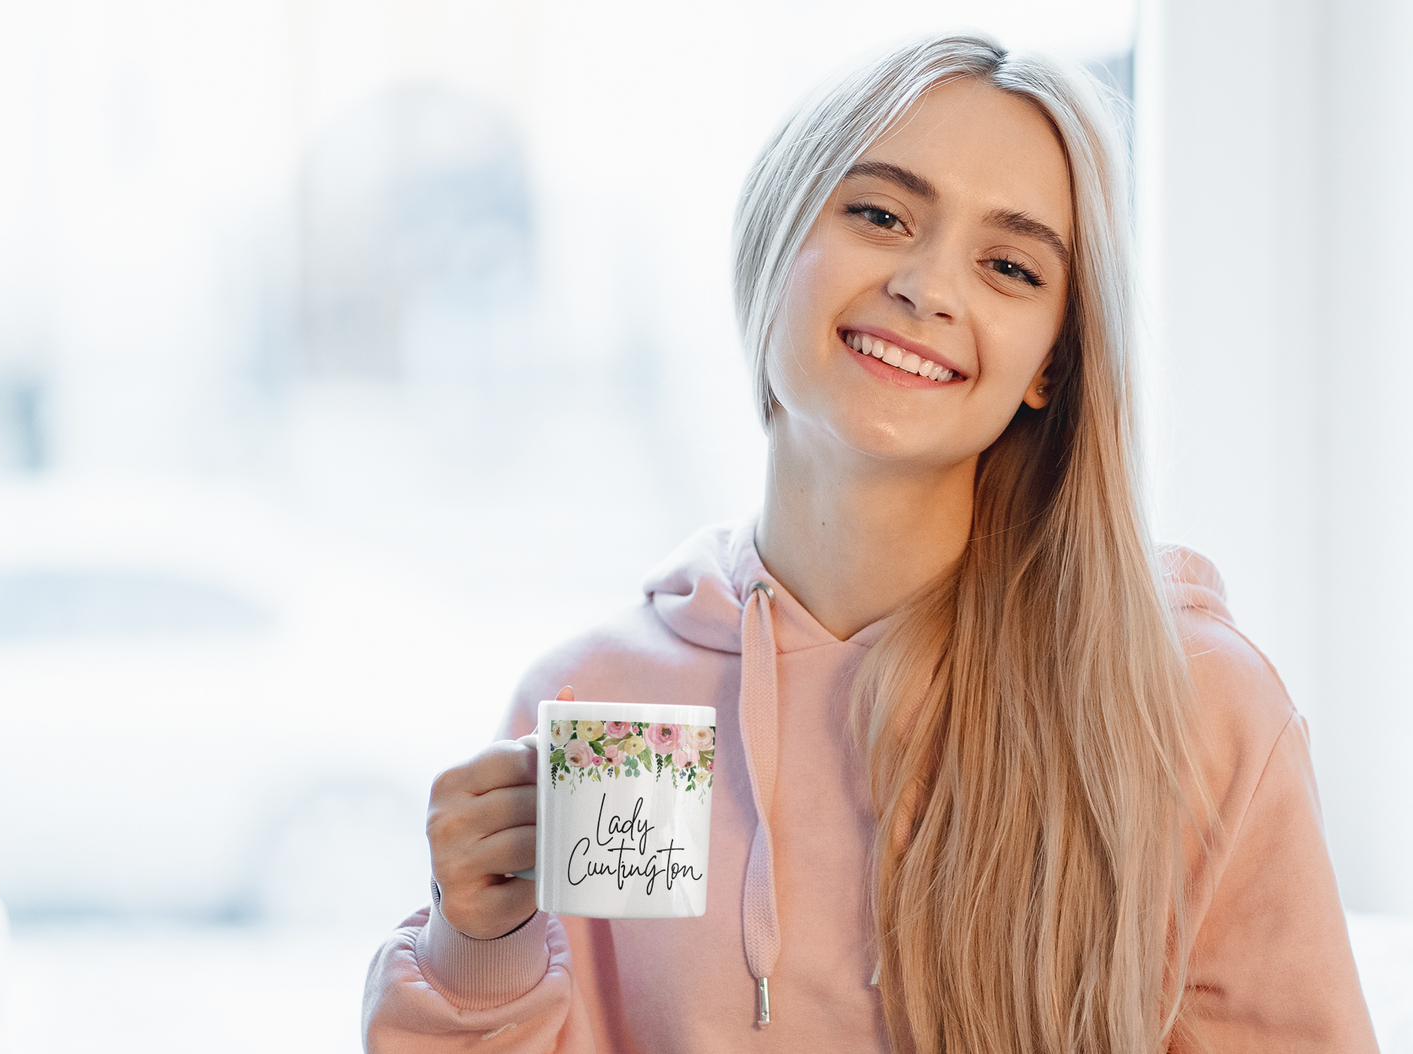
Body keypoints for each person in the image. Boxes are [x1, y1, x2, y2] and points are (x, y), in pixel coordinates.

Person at [363, 33, 1377, 1053]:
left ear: (1049, 366)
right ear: (774, 239)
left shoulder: (1188, 705)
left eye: (1009, 265)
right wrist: (480, 948)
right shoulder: (600, 701)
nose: (929, 287)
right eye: (880, 214)